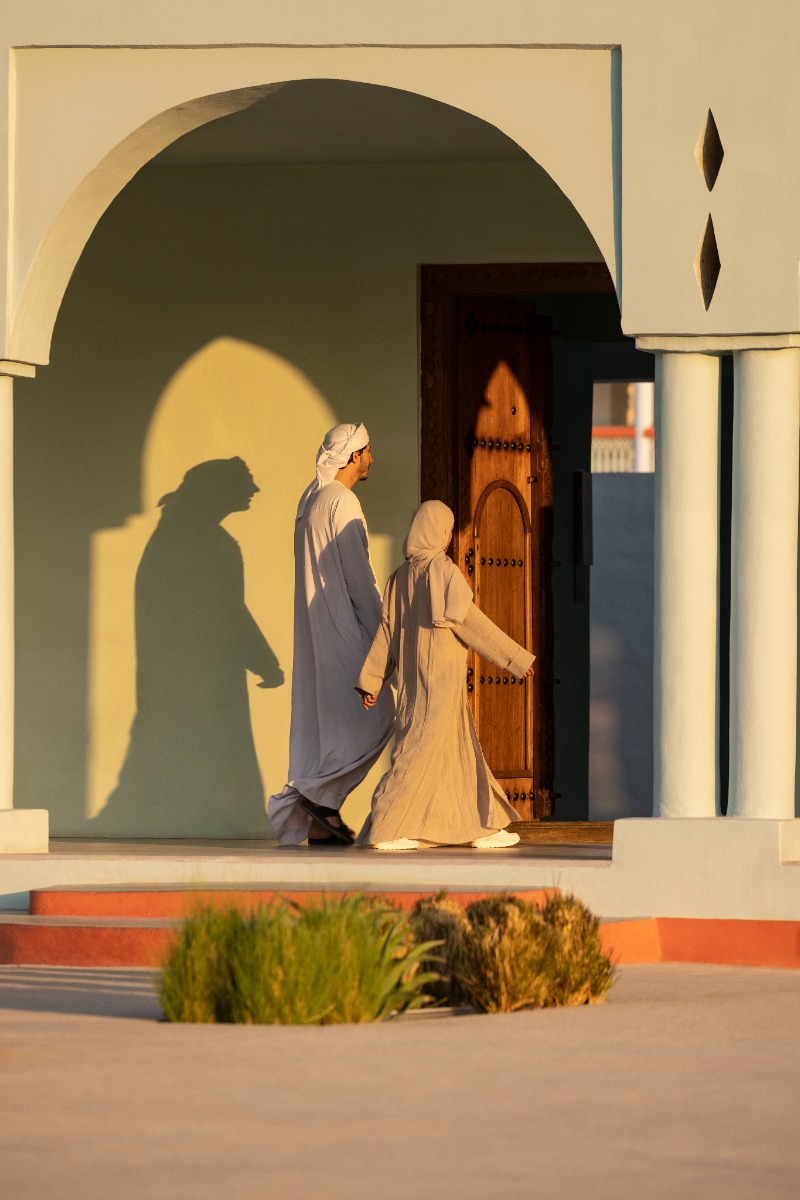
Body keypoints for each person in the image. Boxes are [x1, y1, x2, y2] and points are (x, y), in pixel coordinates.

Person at [94, 457, 282, 837]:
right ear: (218, 490)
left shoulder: (186, 534)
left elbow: (225, 609)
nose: (253, 491)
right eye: (244, 483)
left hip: (195, 676)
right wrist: (264, 660)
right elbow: (226, 610)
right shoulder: (194, 539)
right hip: (196, 679)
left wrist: (261, 659)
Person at [355, 500, 534, 851]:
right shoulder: (443, 569)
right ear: (439, 531)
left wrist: (371, 681)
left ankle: (483, 826)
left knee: (459, 750)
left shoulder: (398, 578)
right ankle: (387, 828)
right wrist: (514, 658)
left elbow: (386, 634)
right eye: (449, 529)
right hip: (440, 681)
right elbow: (471, 622)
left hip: (413, 685)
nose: (450, 536)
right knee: (417, 752)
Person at [268, 423, 394, 845]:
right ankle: (319, 799)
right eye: (368, 451)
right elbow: (361, 577)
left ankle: (323, 818)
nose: (372, 458)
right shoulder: (343, 502)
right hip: (345, 627)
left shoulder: (311, 498)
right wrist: (384, 631)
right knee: (379, 715)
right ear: (353, 456)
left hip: (315, 628)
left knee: (327, 724)